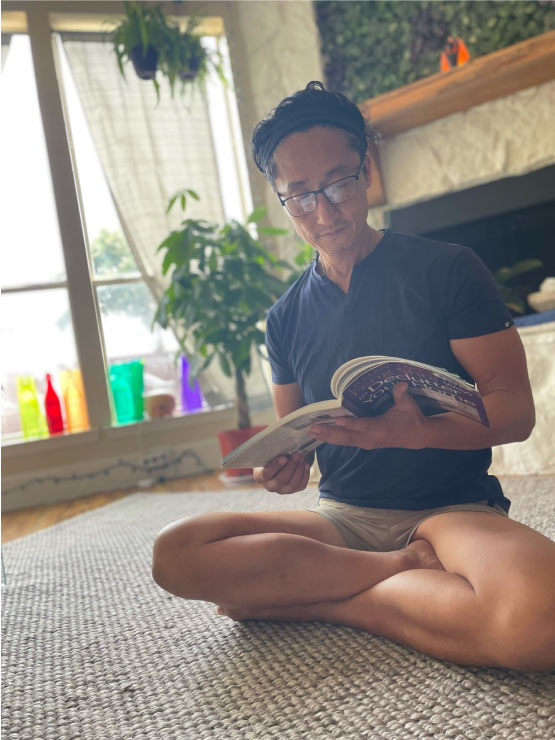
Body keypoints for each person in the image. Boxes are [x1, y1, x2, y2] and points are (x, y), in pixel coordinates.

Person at [152, 81, 555, 671]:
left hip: (453, 510)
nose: (324, 211)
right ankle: (396, 573)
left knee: (542, 620)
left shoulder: (448, 270)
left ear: (365, 170)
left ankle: (325, 600)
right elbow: (293, 439)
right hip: (341, 519)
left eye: (338, 183)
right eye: (300, 197)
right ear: (282, 199)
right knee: (177, 552)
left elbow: (515, 413)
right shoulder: (284, 318)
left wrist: (420, 432)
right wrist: (280, 470)